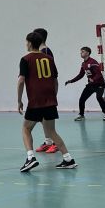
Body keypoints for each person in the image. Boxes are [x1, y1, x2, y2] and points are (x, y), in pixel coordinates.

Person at [18, 31, 76, 172]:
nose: (26, 44)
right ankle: (68, 159)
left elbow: (21, 81)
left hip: (35, 101)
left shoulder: (25, 59)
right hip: (50, 101)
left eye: (26, 42)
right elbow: (55, 80)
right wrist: (53, 97)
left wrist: (19, 100)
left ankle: (30, 158)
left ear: (30, 43)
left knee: (26, 129)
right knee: (51, 131)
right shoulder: (49, 58)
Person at [32, 28, 59, 153]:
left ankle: (55, 143)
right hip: (40, 90)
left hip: (48, 89)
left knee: (48, 118)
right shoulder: (39, 52)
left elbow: (51, 73)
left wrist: (53, 91)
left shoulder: (46, 51)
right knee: (42, 118)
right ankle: (48, 142)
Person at [66, 47, 105, 121]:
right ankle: (81, 115)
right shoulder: (83, 64)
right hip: (91, 85)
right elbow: (80, 75)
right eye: (81, 51)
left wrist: (93, 79)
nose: (81, 53)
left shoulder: (93, 62)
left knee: (99, 97)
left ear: (88, 53)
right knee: (82, 99)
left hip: (99, 84)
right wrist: (71, 81)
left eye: (83, 51)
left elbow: (99, 74)